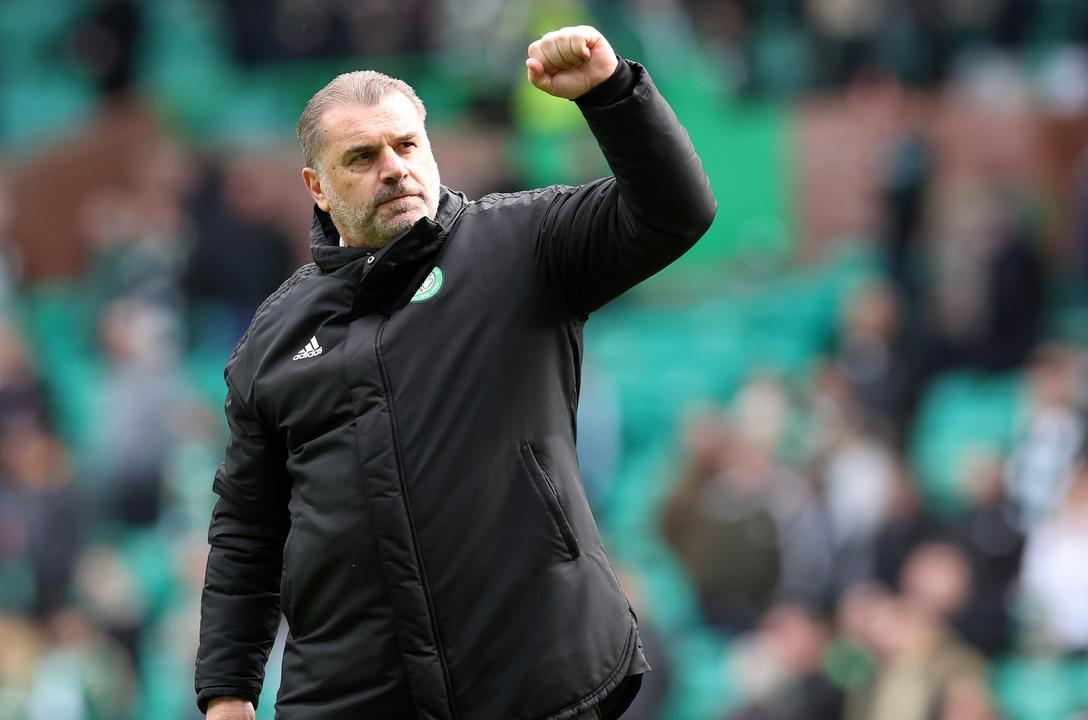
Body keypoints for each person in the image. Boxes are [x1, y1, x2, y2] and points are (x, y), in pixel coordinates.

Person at [196, 25, 716, 720]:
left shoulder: (520, 245)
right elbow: (248, 530)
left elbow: (675, 212)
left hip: (535, 678)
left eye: (407, 145)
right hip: (352, 696)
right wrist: (228, 691)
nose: (394, 167)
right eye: (362, 156)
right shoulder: (274, 337)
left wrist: (613, 94)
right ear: (316, 187)